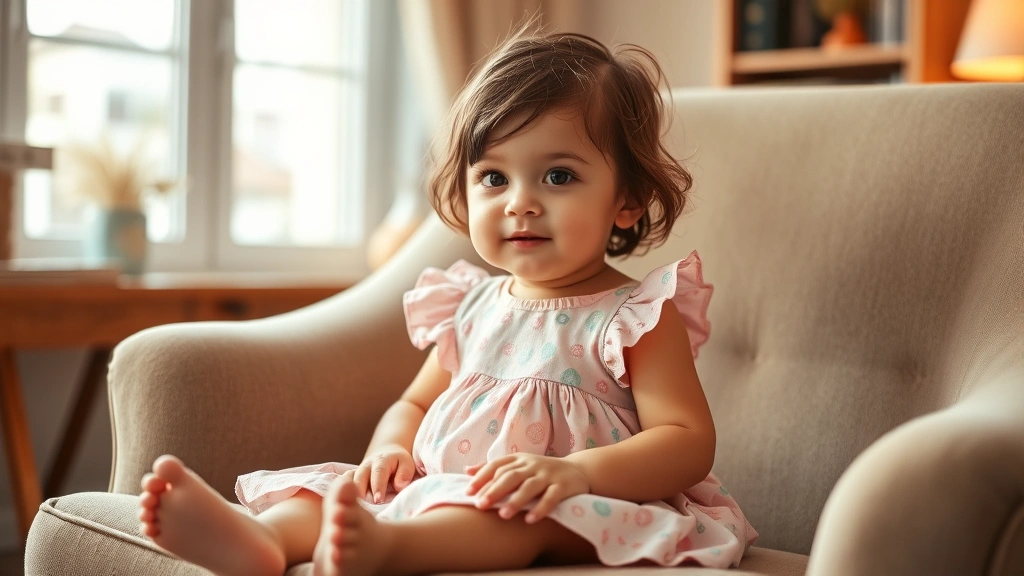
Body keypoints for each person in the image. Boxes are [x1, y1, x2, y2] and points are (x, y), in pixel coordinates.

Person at [138, 25, 757, 576]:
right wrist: (389, 449)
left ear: (627, 200)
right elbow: (413, 402)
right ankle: (262, 541)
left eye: (558, 176)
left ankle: (390, 551)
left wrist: (576, 474)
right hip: (441, 487)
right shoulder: (470, 305)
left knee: (517, 518)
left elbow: (685, 439)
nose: (520, 202)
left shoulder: (634, 316)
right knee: (331, 494)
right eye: (494, 177)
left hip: (575, 504)